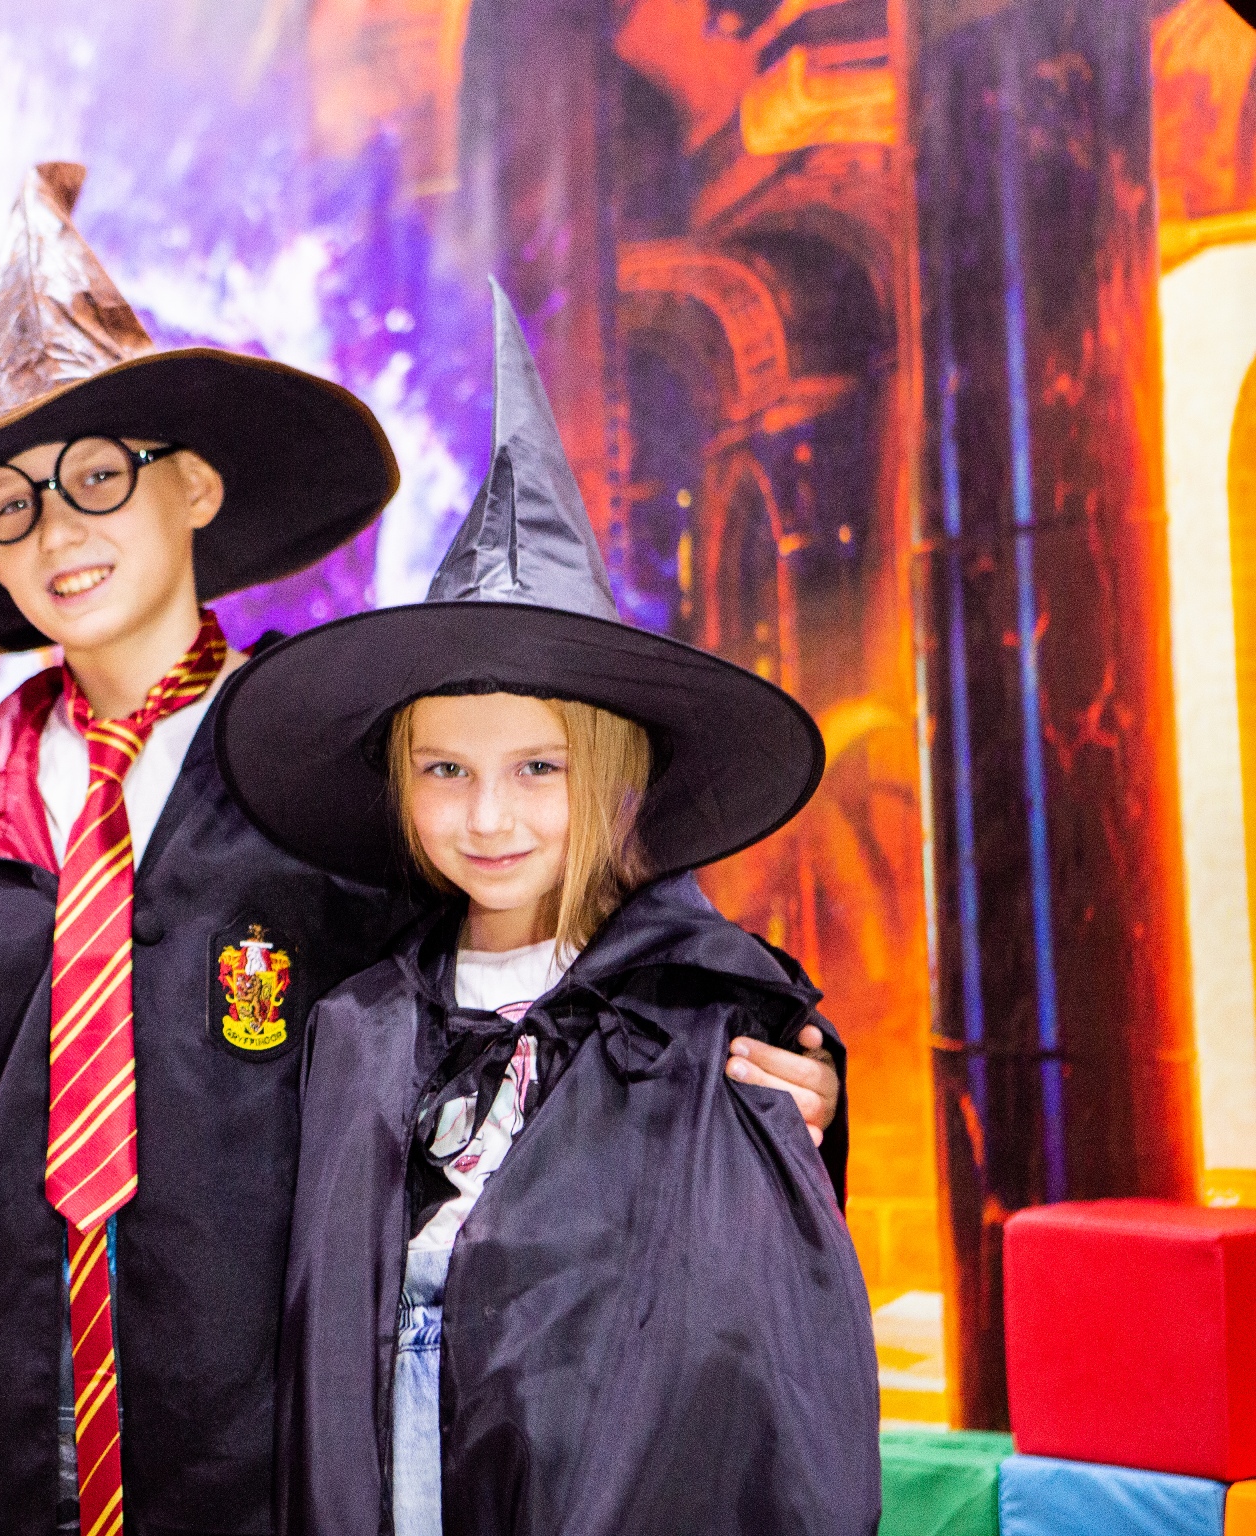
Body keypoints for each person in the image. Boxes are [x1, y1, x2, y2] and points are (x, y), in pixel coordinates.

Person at [0, 164, 847, 1536]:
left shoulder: (334, 783)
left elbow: (569, 945)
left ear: (196, 484)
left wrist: (751, 1078)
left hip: (274, 1454)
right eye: (12, 504)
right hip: (10, 1466)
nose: (59, 530)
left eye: (98, 476)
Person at [214, 285, 879, 1536]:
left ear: (616, 778)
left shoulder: (700, 1014)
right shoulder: (359, 1022)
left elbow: (760, 1348)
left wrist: (800, 1126)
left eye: (538, 768)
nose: (489, 817)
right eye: (444, 770)